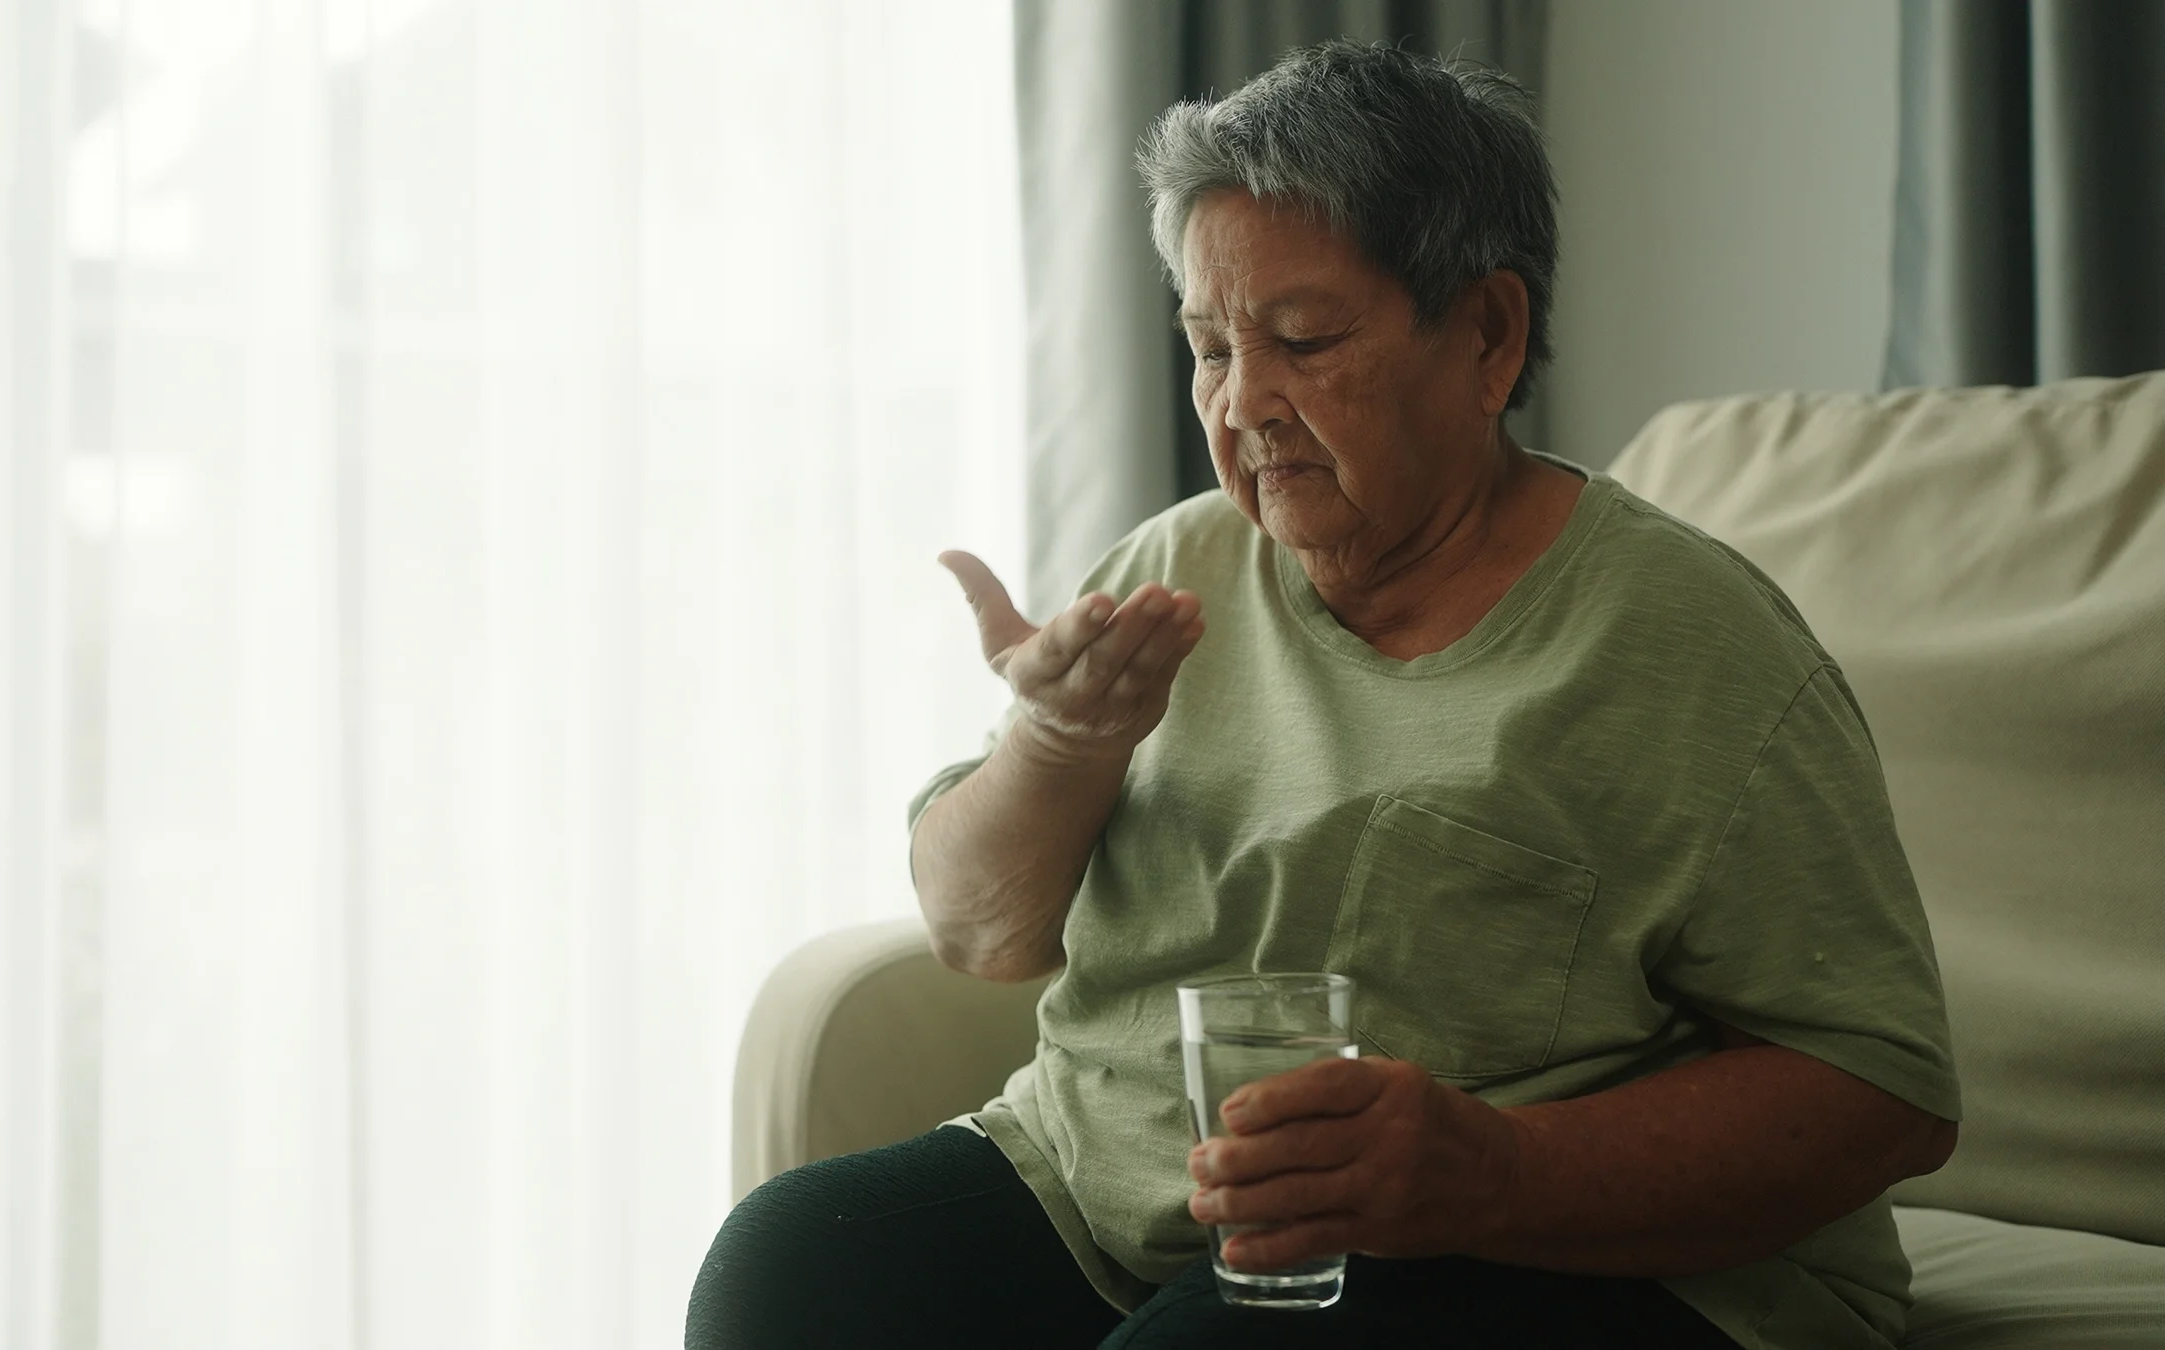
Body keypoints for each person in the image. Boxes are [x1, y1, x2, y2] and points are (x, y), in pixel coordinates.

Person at [688, 39, 1958, 1350]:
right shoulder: (1171, 569)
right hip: (1116, 1203)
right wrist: (1062, 739)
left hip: (1542, 1249)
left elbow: (1886, 1089)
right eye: (1208, 343)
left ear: (1487, 333)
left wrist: (1492, 1169)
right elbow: (977, 928)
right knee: (792, 1270)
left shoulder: (1693, 646)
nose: (1243, 405)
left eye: (1302, 338)